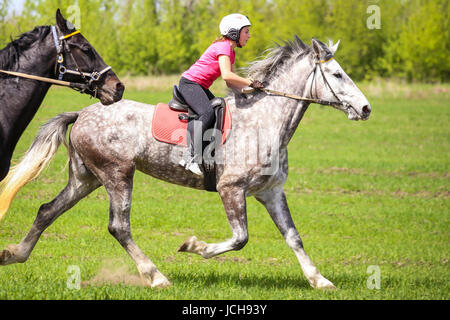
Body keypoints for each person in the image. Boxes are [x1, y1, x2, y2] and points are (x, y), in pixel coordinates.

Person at [178, 13, 264, 175]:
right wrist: (249, 82)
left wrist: (249, 92)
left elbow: (230, 83)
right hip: (190, 84)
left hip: (199, 86)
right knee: (207, 113)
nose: (249, 35)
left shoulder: (231, 51)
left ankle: (208, 152)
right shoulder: (224, 47)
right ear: (234, 33)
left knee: (220, 111)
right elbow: (227, 75)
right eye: (246, 31)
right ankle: (189, 157)